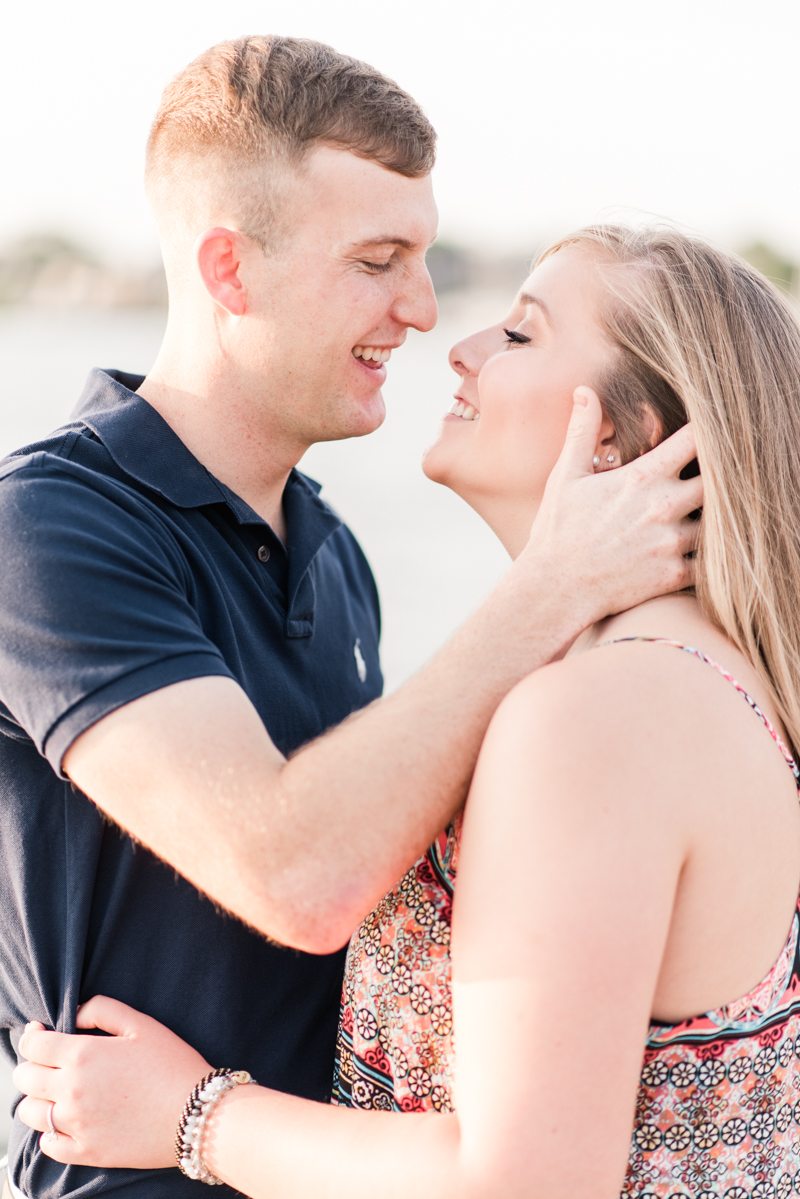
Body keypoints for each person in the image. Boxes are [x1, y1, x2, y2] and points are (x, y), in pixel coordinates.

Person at [0, 37, 698, 1199]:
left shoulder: (332, 549)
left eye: (421, 258)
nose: (420, 310)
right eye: (378, 260)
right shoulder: (49, 529)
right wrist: (549, 588)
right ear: (230, 270)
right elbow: (299, 873)